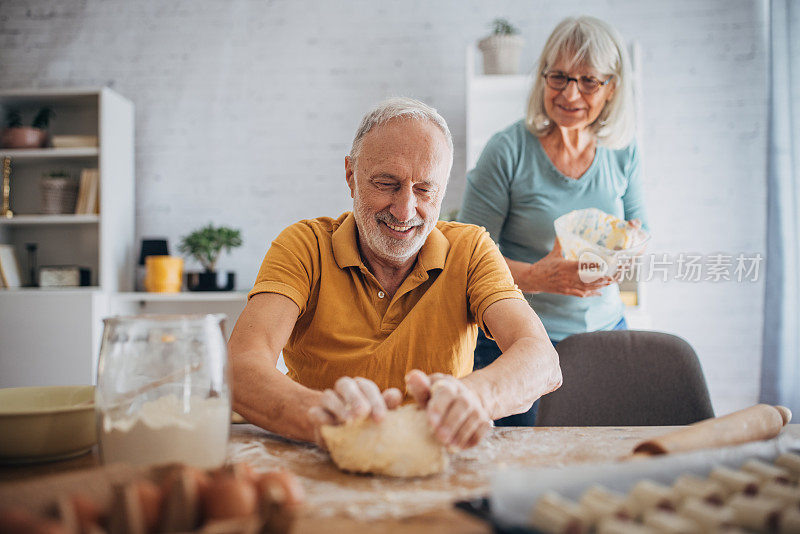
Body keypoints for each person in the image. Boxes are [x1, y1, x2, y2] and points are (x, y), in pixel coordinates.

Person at [228, 97, 562, 450]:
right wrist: (320, 416)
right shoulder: (304, 245)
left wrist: (475, 397)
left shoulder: (471, 249)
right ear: (351, 176)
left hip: (438, 462)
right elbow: (239, 365)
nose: (404, 211)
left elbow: (541, 359)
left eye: (424, 189)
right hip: (322, 456)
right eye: (387, 184)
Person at [459, 16, 649, 426]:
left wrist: (629, 248)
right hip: (518, 341)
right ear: (543, 77)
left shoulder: (622, 151)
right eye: (559, 77)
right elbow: (465, 258)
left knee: (603, 460)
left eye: (589, 81)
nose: (570, 93)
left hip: (604, 333)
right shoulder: (507, 151)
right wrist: (540, 278)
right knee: (516, 466)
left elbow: (640, 228)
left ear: (612, 87)